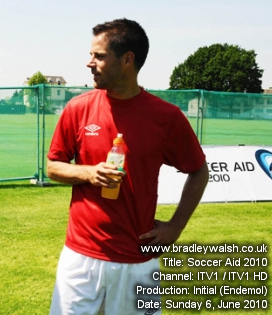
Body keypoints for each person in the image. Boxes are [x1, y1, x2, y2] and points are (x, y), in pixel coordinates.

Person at [46, 18, 209, 315]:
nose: (89, 63)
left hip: (139, 261)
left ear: (127, 60)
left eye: (99, 56)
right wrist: (88, 172)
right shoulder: (78, 108)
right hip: (80, 258)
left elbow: (199, 169)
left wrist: (176, 226)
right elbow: (53, 166)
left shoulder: (166, 117)